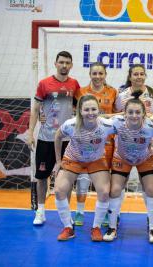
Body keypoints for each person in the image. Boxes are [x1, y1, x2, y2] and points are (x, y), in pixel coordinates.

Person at [27, 51, 80, 225]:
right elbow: (35, 109)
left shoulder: (74, 85)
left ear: (71, 65)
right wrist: (30, 133)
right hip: (46, 139)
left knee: (69, 178)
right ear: (55, 63)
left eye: (67, 63)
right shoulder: (44, 84)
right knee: (42, 176)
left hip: (68, 140)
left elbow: (79, 109)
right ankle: (40, 211)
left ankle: (67, 212)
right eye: (61, 62)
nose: (64, 65)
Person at [53, 95, 115, 241]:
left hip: (96, 159)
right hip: (73, 158)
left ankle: (96, 227)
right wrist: (57, 161)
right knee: (59, 190)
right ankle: (68, 227)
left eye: (94, 109)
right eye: (86, 109)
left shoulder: (107, 125)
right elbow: (57, 136)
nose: (90, 112)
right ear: (80, 111)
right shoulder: (70, 124)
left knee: (105, 192)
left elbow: (125, 125)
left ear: (99, 110)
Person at [104, 91, 153, 243]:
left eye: (138, 112)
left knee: (151, 190)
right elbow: (98, 121)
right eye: (130, 112)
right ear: (124, 113)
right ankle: (112, 226)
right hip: (122, 158)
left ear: (144, 114)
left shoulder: (152, 124)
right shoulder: (117, 122)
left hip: (145, 158)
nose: (134, 115)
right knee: (115, 190)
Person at [73, 62, 118, 226]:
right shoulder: (81, 92)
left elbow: (119, 115)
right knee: (83, 178)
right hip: (85, 141)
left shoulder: (113, 92)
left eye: (101, 73)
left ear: (105, 74)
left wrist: (102, 118)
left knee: (104, 180)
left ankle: (105, 212)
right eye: (94, 73)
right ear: (90, 74)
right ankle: (79, 212)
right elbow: (75, 115)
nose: (98, 76)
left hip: (107, 142)